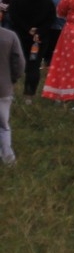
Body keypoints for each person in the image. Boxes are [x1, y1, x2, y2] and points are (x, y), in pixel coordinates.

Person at [0, 17, 22, 164]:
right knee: (3, 125)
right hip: (3, 87)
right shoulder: (9, 36)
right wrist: (13, 78)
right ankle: (8, 156)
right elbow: (19, 62)